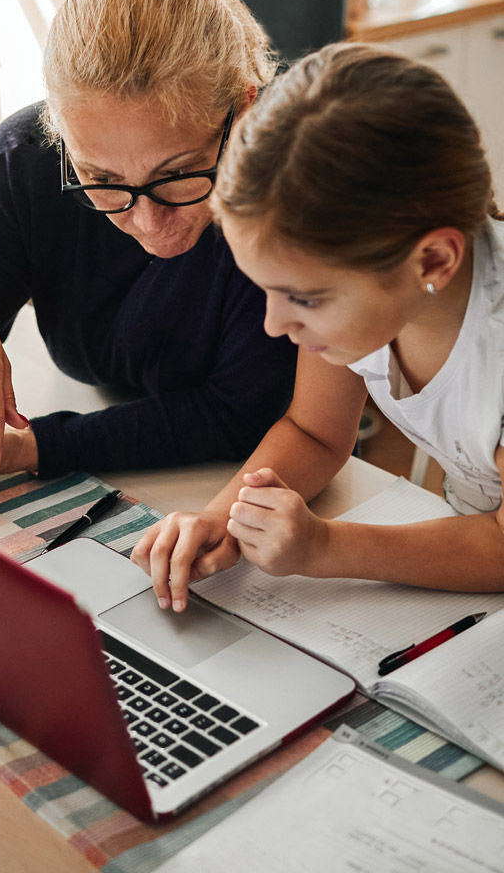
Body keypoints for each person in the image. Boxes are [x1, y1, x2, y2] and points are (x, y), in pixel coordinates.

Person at [0, 0, 297, 485]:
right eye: (101, 181)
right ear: (58, 131)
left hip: (246, 477)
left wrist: (39, 446)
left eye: (179, 174)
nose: (148, 222)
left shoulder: (283, 185)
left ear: (242, 109)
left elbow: (240, 414)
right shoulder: (24, 163)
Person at [131, 42, 504, 613]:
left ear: (431, 262)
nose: (275, 325)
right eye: (268, 290)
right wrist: (223, 521)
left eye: (302, 297)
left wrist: (324, 546)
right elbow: (314, 432)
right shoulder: (371, 295)